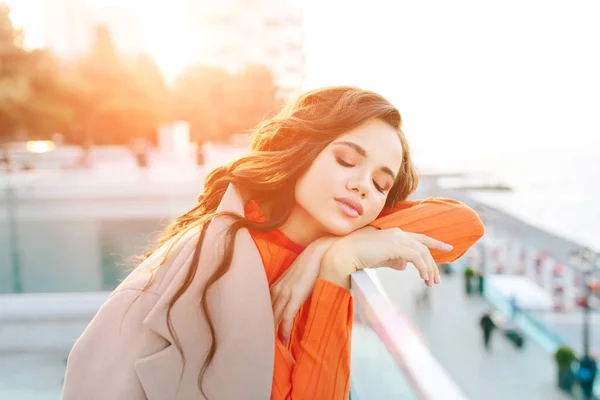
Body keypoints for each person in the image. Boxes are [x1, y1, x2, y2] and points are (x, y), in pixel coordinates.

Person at [62, 86, 485, 399]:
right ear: (304, 150)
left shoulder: (324, 242)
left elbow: (464, 224)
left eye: (380, 183)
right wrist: (336, 265)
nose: (361, 186)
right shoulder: (235, 260)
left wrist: (331, 253)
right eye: (345, 160)